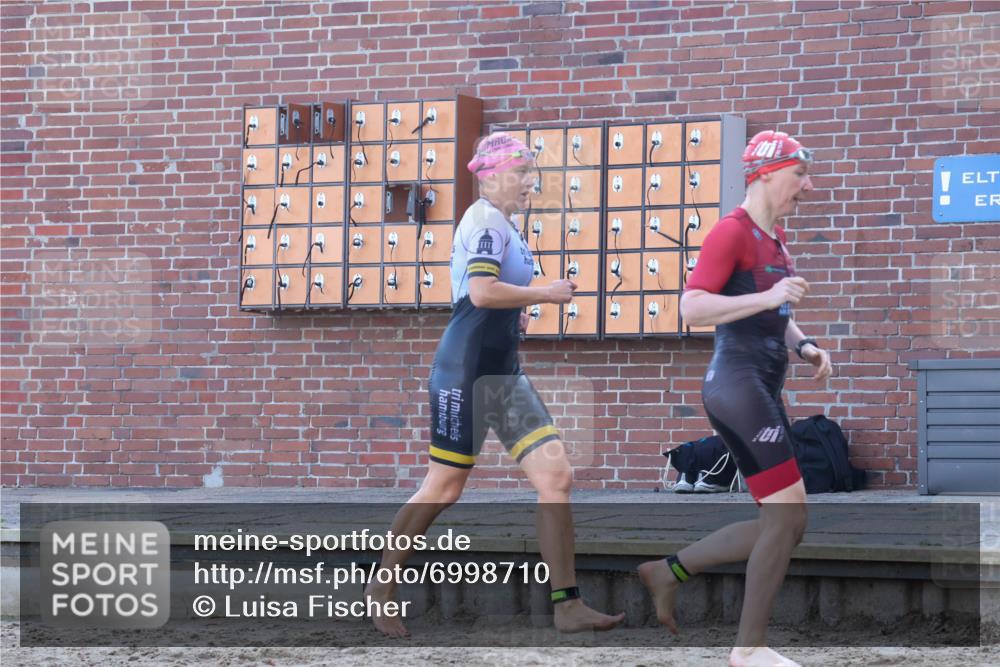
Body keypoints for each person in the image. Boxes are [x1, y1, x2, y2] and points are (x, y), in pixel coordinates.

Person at [365, 131, 625, 637]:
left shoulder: (505, 226)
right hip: (465, 372)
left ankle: (567, 604)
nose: (532, 181)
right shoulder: (483, 220)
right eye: (522, 172)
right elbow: (482, 294)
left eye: (532, 172)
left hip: (503, 373)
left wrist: (521, 312)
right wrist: (545, 294)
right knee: (444, 486)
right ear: (491, 175)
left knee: (556, 478)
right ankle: (382, 585)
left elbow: (487, 294)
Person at [639, 130, 833, 667]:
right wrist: (771, 295)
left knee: (782, 521)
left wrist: (806, 345)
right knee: (789, 520)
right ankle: (747, 649)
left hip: (760, 388)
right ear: (766, 173)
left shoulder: (775, 240)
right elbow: (693, 308)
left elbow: (777, 313)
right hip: (738, 387)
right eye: (799, 174)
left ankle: (667, 571)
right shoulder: (732, 232)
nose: (807, 186)